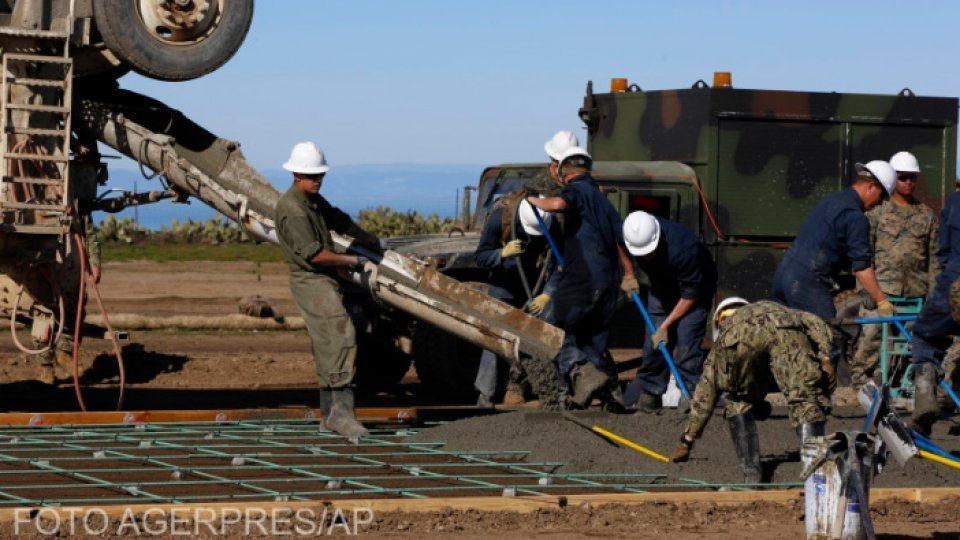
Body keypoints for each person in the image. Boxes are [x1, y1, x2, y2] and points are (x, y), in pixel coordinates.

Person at [275, 142, 381, 437]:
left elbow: (338, 219)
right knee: (340, 335)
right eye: (312, 175)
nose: (318, 180)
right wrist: (352, 259)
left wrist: (366, 237)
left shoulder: (312, 201)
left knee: (328, 342)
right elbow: (314, 255)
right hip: (311, 279)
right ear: (296, 174)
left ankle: (330, 415)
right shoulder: (294, 210)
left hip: (322, 278)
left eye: (320, 174)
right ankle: (341, 414)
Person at [671, 298, 835, 484]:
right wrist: (825, 355)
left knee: (737, 401)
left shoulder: (727, 333)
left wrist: (688, 439)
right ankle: (815, 473)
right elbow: (815, 322)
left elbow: (705, 394)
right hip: (784, 327)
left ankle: (752, 476)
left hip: (738, 338)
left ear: (719, 323)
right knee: (806, 398)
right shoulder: (776, 308)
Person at [525, 146, 635, 408]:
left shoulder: (576, 190)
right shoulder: (602, 198)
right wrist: (629, 273)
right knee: (592, 339)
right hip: (608, 283)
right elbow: (619, 238)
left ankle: (581, 375)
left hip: (582, 279)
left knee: (552, 329)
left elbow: (560, 204)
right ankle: (613, 396)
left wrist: (534, 201)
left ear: (564, 172)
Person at [772, 160, 898, 367]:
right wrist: (882, 301)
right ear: (871, 186)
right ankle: (814, 398)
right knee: (827, 344)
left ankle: (793, 395)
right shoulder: (855, 216)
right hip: (806, 284)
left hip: (783, 278)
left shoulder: (832, 200)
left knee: (791, 344)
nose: (881, 202)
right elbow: (862, 267)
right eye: (882, 195)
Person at [850, 152, 939, 390]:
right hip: (881, 290)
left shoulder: (927, 216)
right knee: (870, 338)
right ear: (893, 178)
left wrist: (933, 297)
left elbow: (933, 260)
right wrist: (865, 291)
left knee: (913, 344)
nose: (908, 183)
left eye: (912, 178)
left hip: (915, 294)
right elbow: (862, 253)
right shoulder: (877, 211)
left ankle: (902, 384)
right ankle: (860, 386)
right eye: (902, 178)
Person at [621, 211, 717, 411]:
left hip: (695, 289)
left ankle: (691, 399)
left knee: (686, 341)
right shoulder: (630, 233)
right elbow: (617, 243)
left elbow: (691, 295)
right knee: (652, 344)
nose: (645, 256)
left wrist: (665, 326)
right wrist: (629, 274)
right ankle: (649, 394)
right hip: (662, 285)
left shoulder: (684, 249)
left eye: (648, 251)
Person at [473, 198, 558, 408]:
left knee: (537, 341)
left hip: (532, 291)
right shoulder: (500, 220)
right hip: (502, 288)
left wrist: (547, 293)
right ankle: (486, 397)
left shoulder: (550, 223)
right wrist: (501, 254)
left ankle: (540, 393)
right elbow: (480, 256)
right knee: (495, 340)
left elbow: (560, 261)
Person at [909, 188, 960, 436]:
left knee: (924, 337)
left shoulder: (954, 202)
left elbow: (944, 251)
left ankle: (925, 394)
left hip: (954, 283)